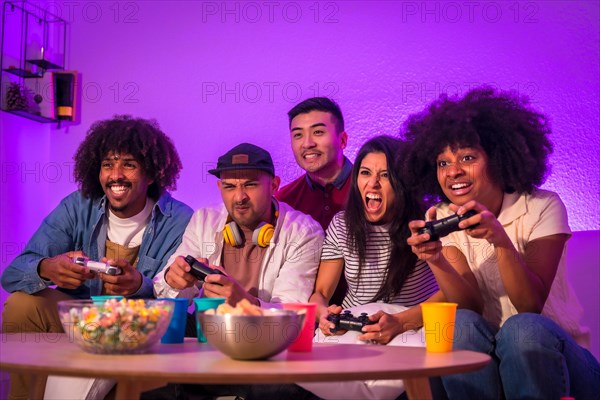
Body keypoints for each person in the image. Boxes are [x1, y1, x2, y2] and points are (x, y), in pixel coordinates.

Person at [403, 87, 600, 399]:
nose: (453, 171)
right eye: (442, 163)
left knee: (522, 330)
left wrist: (500, 241)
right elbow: (468, 305)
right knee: (461, 324)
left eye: (467, 157)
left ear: (496, 158)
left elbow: (529, 305)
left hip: (560, 360)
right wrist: (435, 259)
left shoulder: (542, 205)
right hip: (488, 360)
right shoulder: (443, 215)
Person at [1, 115, 193, 400]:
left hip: (135, 329)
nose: (115, 175)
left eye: (128, 164)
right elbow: (12, 274)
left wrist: (139, 285)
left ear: (151, 173)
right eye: (107, 165)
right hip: (81, 321)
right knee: (21, 304)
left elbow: (179, 301)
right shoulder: (76, 207)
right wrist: (47, 268)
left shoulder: (179, 220)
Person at [286, 136, 440, 400]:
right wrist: (323, 314)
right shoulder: (342, 224)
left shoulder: (426, 221)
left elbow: (452, 294)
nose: (373, 183)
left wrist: (402, 323)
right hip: (356, 323)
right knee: (300, 368)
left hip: (412, 323)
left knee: (389, 380)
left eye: (385, 175)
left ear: (402, 182)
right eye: (365, 173)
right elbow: (321, 291)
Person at [154, 142, 324, 308]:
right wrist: (173, 281)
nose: (239, 197)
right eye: (229, 186)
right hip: (205, 333)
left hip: (266, 336)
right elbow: (162, 292)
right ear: (220, 187)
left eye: (250, 185)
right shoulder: (203, 220)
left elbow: (292, 313)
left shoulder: (303, 232)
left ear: (274, 186)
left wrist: (244, 303)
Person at [276, 97, 352, 306]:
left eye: (318, 132)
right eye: (298, 135)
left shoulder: (371, 191)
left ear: (343, 140)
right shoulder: (284, 199)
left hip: (368, 314)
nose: (307, 143)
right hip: (302, 315)